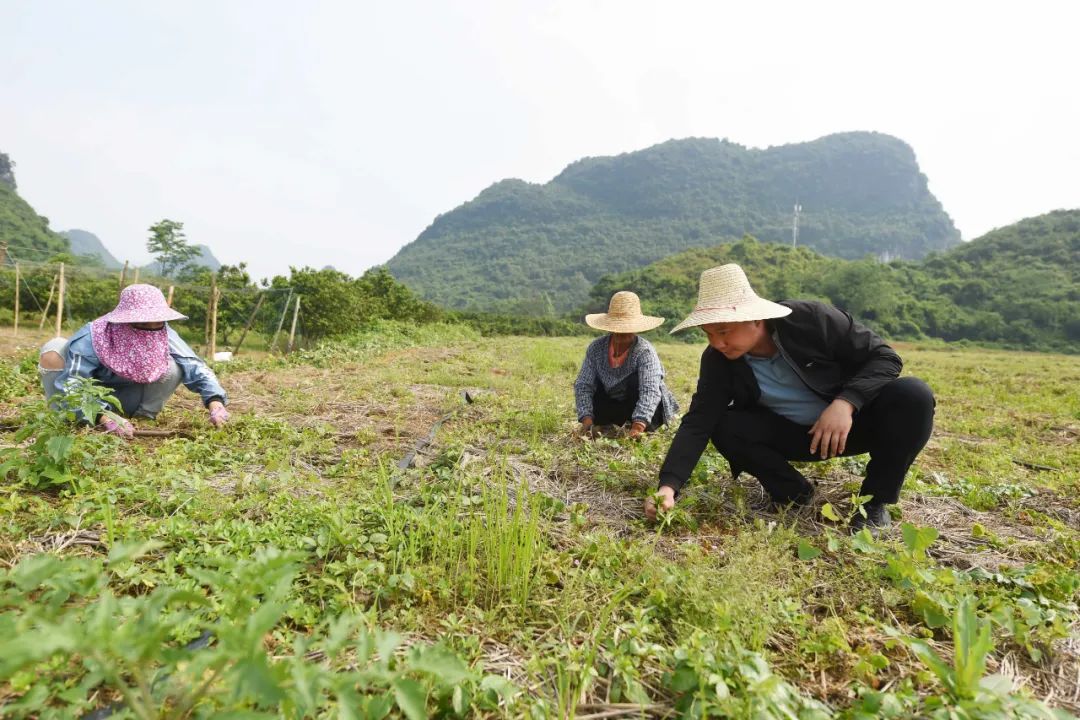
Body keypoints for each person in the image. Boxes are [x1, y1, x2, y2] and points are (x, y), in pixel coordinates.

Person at [645, 264, 934, 533]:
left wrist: (846, 402)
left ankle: (873, 503)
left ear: (755, 318)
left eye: (723, 331)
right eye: (708, 334)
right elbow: (698, 421)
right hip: (795, 435)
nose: (717, 343)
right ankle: (794, 494)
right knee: (723, 423)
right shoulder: (718, 360)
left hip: (851, 426)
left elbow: (885, 358)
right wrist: (668, 487)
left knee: (913, 395)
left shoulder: (812, 319)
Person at [38, 284, 230, 437]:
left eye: (158, 322)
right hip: (91, 401)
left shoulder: (163, 333)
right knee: (54, 349)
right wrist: (103, 416)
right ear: (123, 321)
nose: (152, 328)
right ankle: (71, 420)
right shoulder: (95, 336)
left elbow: (194, 365)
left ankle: (142, 416)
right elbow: (74, 382)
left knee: (174, 366)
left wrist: (215, 402)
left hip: (128, 399)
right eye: (144, 323)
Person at [574, 291, 678, 439]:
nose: (622, 333)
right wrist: (587, 423)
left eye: (628, 329)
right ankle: (605, 424)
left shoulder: (644, 351)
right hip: (612, 404)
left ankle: (637, 424)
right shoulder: (596, 348)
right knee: (594, 383)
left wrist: (638, 426)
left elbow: (650, 390)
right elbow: (583, 385)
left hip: (641, 405)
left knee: (634, 381)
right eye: (618, 329)